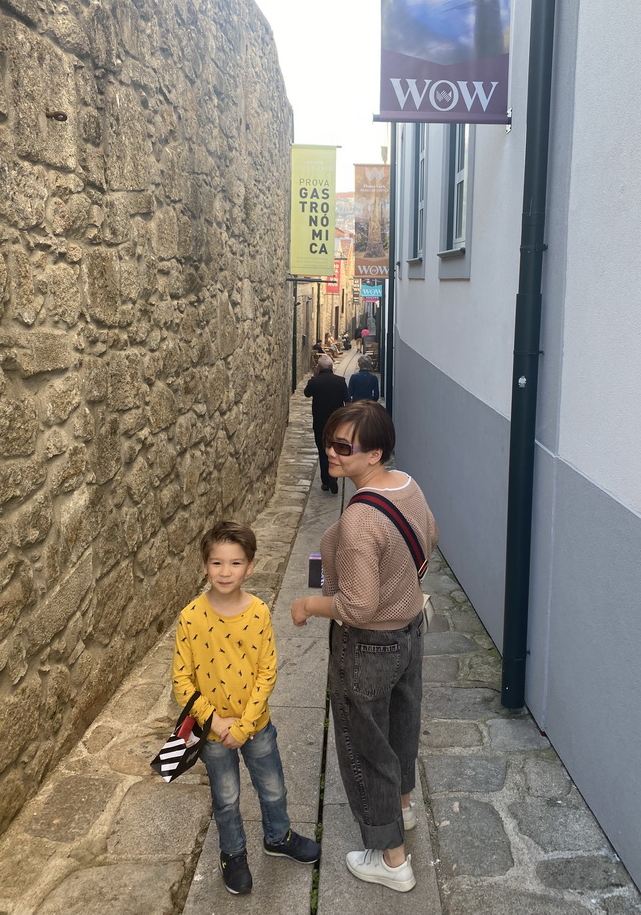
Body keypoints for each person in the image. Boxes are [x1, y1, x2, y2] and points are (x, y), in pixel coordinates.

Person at [290, 402, 438, 893]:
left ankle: (390, 858)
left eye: (341, 446)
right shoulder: (408, 486)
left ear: (373, 454)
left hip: (369, 647)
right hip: (410, 632)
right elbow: (430, 536)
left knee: (363, 746)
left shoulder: (358, 522)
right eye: (329, 440)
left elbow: (356, 605)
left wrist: (311, 604)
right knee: (401, 724)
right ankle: (402, 808)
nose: (329, 452)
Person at [172, 521, 320, 895]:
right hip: (212, 732)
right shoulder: (190, 617)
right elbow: (181, 682)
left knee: (273, 788)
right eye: (217, 563)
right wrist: (219, 724)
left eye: (235, 563)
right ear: (205, 566)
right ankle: (233, 853)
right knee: (226, 798)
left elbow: (267, 672)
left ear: (250, 566)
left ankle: (278, 836)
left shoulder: (258, 613)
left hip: (257, 727)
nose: (225, 572)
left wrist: (244, 725)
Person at [303, 355, 349, 493]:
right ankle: (334, 476)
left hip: (320, 424)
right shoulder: (341, 382)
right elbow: (348, 402)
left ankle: (326, 482)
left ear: (319, 367)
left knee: (323, 452)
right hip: (337, 424)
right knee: (336, 450)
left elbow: (306, 393)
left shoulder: (315, 382)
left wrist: (314, 376)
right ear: (331, 366)